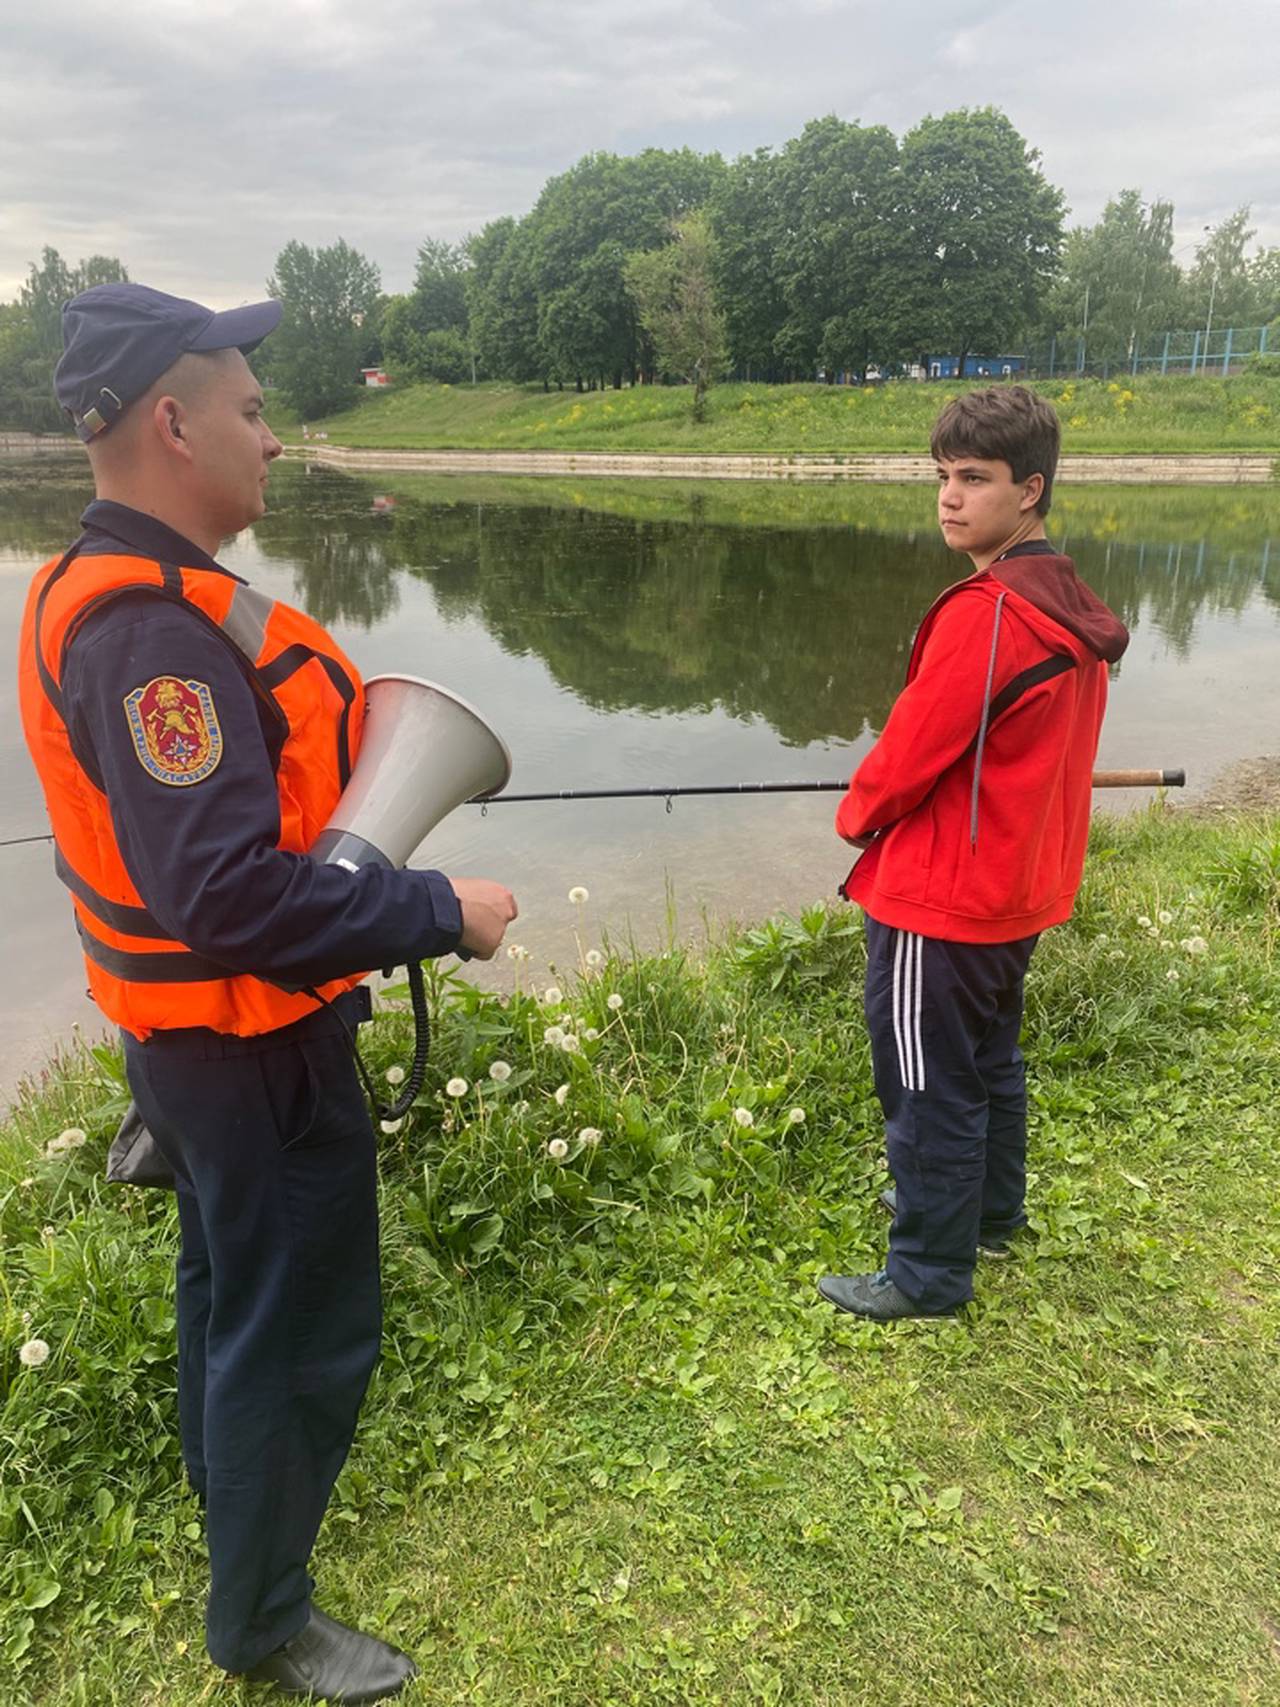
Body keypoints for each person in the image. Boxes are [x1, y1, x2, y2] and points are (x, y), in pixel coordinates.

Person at [18, 283, 518, 1701]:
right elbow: (227, 898)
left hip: (196, 1046)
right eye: (251, 408)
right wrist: (438, 911)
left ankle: (240, 1532)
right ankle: (263, 1619)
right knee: (296, 1329)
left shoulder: (108, 591)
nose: (275, 438)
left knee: (230, 1301)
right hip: (245, 1051)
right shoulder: (152, 639)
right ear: (172, 423)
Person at [818, 385, 1128, 1322]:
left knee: (924, 1083)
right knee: (989, 1062)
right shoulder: (1068, 603)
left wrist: (855, 815)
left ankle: (925, 1273)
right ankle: (987, 1214)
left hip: (940, 901)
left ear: (1030, 490)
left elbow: (903, 760)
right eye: (943, 476)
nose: (950, 497)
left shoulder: (985, 613)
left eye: (975, 479)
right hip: (1018, 887)